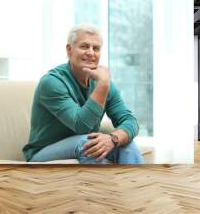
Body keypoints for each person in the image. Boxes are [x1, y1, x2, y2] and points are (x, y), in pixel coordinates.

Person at [22, 23, 142, 164]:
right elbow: (82, 126)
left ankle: (130, 186)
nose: (91, 53)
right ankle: (104, 186)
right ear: (69, 50)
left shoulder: (102, 81)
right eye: (84, 46)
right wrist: (102, 85)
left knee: (127, 145)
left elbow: (130, 121)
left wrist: (113, 138)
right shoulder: (52, 82)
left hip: (80, 143)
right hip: (42, 153)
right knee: (88, 144)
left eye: (96, 48)